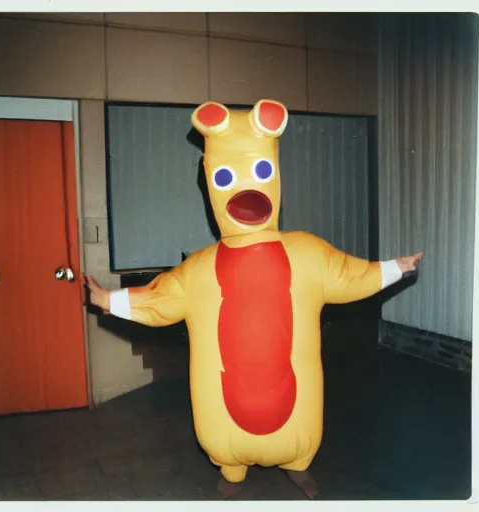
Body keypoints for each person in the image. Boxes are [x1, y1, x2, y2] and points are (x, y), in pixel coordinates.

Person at [86, 99, 423, 499]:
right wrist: (110, 300)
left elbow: (349, 275)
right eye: (226, 177)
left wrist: (395, 268)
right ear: (212, 185)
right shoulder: (200, 270)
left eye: (261, 171)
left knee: (299, 438)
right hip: (224, 417)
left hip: (297, 411)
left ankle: (297, 465)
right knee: (229, 452)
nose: (246, 191)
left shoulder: (306, 255)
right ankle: (232, 470)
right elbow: (161, 299)